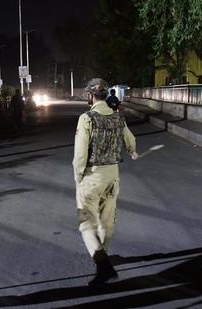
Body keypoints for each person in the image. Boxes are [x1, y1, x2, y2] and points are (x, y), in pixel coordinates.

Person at [73, 78, 139, 286]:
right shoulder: (118, 118)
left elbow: (80, 154)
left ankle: (103, 266)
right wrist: (132, 151)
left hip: (92, 176)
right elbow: (131, 140)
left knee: (86, 224)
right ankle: (103, 254)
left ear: (90, 96)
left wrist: (78, 177)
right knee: (107, 221)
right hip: (113, 176)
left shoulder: (87, 118)